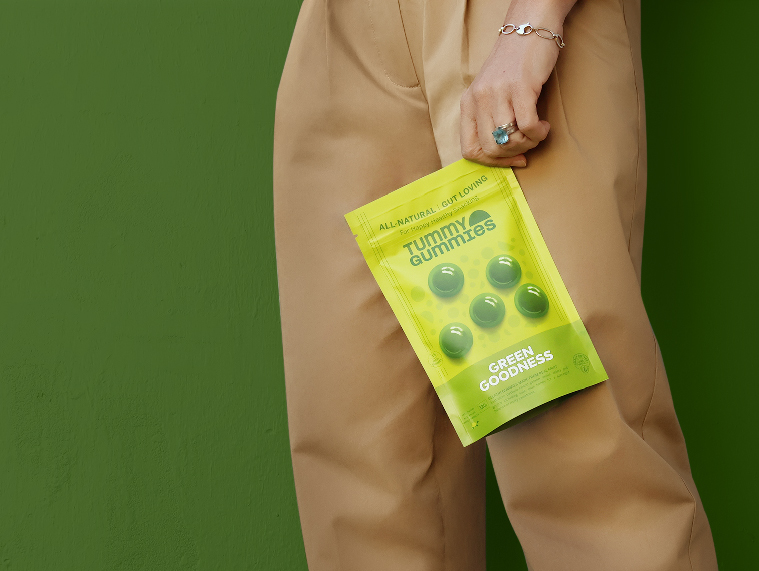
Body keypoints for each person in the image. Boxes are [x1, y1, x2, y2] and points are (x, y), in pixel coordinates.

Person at [273, 0, 719, 568]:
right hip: (344, 30)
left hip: (516, 22)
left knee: (572, 440)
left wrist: (535, 20)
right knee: (363, 458)